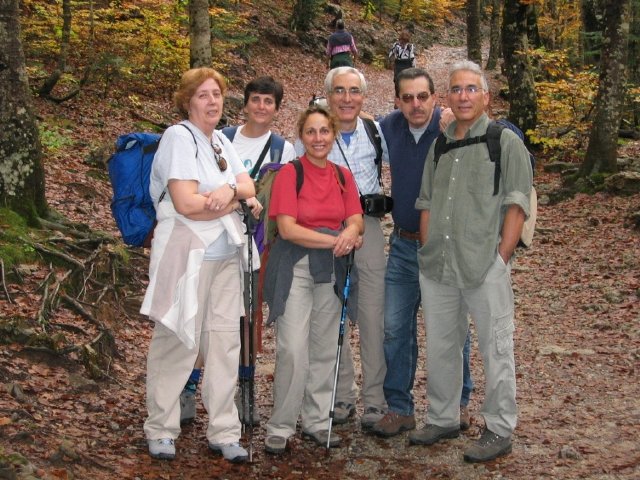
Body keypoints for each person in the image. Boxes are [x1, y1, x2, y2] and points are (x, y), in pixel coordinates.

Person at [410, 60, 532, 463]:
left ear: (485, 96)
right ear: (448, 96)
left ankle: (499, 427)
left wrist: (501, 258)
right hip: (439, 266)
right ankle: (443, 417)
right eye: (457, 89)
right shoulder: (440, 144)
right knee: (442, 345)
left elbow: (517, 203)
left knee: (496, 348)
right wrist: (428, 249)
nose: (463, 96)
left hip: (485, 266)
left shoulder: (504, 141)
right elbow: (426, 201)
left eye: (471, 89)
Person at [140, 67, 256, 464]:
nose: (212, 101)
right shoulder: (178, 137)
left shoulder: (221, 140)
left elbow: (248, 186)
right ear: (187, 101)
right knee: (177, 340)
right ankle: (160, 427)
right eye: (203, 95)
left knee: (225, 344)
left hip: (226, 257)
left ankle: (225, 431)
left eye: (217, 94)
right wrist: (231, 199)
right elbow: (185, 203)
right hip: (186, 256)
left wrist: (227, 192)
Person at [179, 76, 296, 427]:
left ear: (277, 108)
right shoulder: (222, 139)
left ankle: (243, 389)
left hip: (256, 246)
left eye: (269, 101)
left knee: (246, 322)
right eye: (255, 100)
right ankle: (189, 386)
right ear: (244, 104)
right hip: (214, 241)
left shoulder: (282, 149)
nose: (261, 107)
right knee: (201, 320)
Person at [371, 68, 474, 438]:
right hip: (402, 244)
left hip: (444, 247)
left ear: (435, 98)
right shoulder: (389, 128)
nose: (416, 104)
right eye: (408, 97)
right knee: (395, 326)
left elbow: (506, 133)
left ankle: (459, 402)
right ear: (398, 101)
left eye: (423, 97)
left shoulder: (451, 128)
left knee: (451, 327)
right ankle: (399, 408)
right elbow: (346, 126)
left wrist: (462, 116)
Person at [263, 104, 364, 454]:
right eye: (311, 132)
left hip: (332, 270)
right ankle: (281, 425)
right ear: (302, 136)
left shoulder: (341, 175)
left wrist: (350, 231)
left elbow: (356, 218)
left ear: (333, 134)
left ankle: (318, 421)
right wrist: (338, 239)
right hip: (297, 268)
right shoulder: (291, 174)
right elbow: (288, 229)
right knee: (292, 348)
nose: (318, 138)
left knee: (325, 349)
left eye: (324, 131)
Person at [295, 66, 388, 431]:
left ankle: (376, 400)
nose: (347, 98)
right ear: (327, 95)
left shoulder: (375, 130)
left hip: (368, 227)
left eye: (354, 91)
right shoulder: (314, 133)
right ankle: (342, 395)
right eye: (339, 91)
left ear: (363, 97)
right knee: (332, 313)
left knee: (371, 315)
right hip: (324, 233)